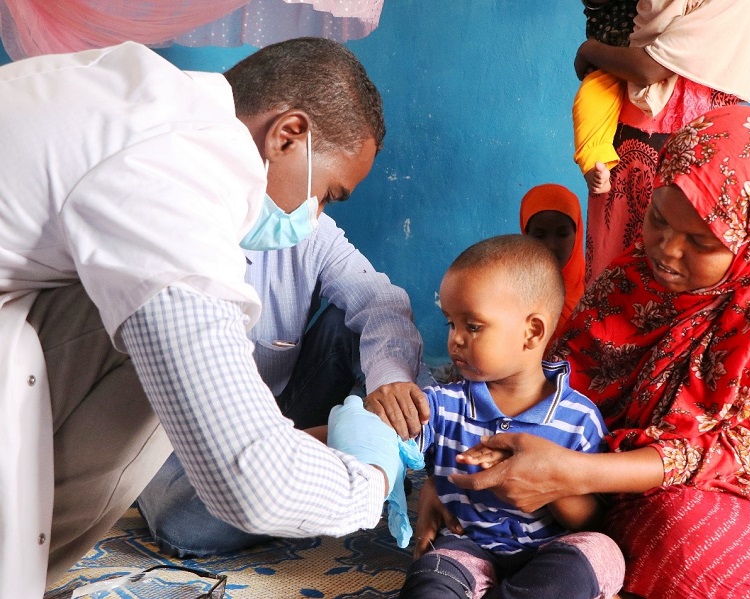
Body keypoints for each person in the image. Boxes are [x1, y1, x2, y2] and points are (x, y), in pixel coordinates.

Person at [0, 38, 407, 596]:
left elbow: (375, 300)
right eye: (327, 193)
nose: (316, 216)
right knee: (158, 340)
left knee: (147, 319)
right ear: (288, 134)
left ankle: (19, 564)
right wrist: (373, 475)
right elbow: (251, 483)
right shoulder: (173, 177)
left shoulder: (146, 96)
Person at [445, 106, 750, 597]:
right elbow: (558, 372)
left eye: (700, 242)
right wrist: (454, 466)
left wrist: (574, 472)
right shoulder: (641, 270)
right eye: (658, 218)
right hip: (632, 474)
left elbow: (746, 458)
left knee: (683, 538)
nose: (665, 249)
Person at [137, 216, 428, 557]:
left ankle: (358, 453)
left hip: (282, 413)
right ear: (277, 158)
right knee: (185, 527)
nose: (316, 208)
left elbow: (380, 303)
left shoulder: (310, 229)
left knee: (360, 338)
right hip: (173, 439)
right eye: (326, 190)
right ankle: (367, 456)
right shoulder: (175, 230)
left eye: (330, 197)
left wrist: (391, 381)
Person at [399, 235, 624, 599]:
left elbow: (592, 518)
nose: (455, 340)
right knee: (432, 575)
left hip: (553, 551)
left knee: (600, 551)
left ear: (532, 331)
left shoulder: (579, 418)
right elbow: (384, 433)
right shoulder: (442, 404)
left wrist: (541, 478)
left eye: (472, 326)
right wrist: (287, 437)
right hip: (467, 547)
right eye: (450, 324)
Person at [574, 0, 750, 282]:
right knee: (627, 263)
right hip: (644, 137)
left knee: (651, 260)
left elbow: (649, 67)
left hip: (658, 135)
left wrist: (589, 50)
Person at [572, 0, 637, 196]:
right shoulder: (599, 7)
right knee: (588, 100)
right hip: (608, 68)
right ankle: (595, 163)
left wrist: (586, 51)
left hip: (645, 60)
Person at [519, 183, 586, 342]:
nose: (551, 246)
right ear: (526, 234)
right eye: (539, 236)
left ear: (577, 234)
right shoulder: (515, 289)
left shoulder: (595, 287)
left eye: (562, 234)